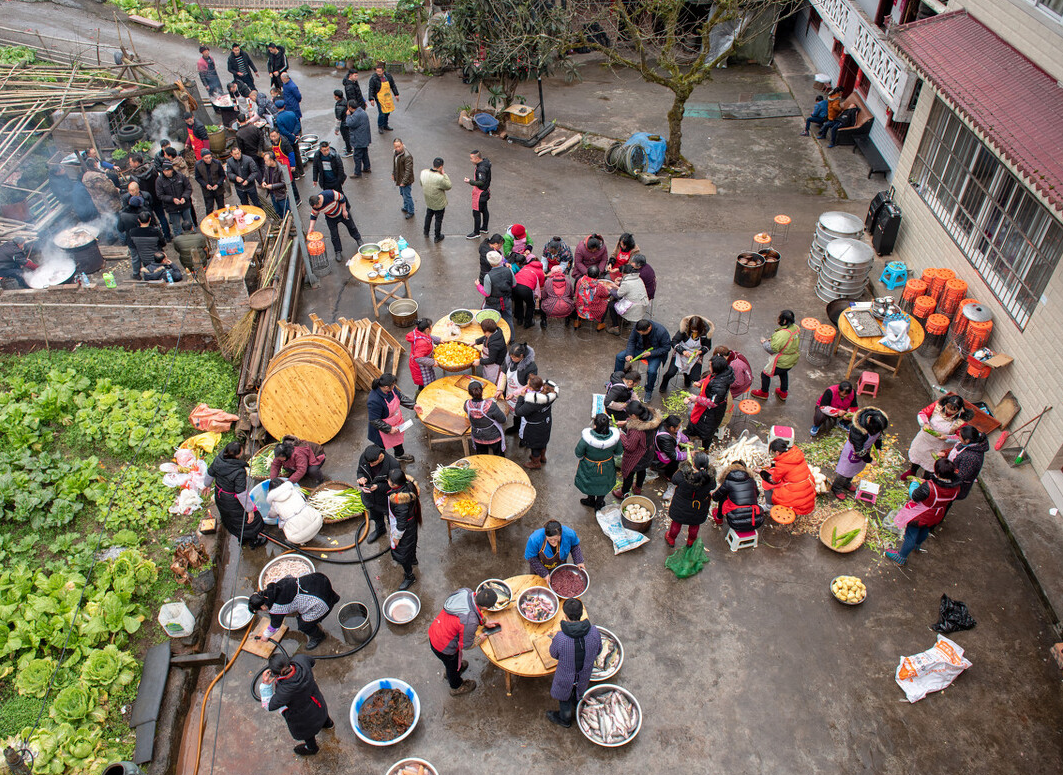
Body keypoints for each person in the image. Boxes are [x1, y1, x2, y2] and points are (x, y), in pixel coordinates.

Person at [886, 458, 962, 566]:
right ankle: (917, 545)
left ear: (938, 473)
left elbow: (915, 495)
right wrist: (926, 482)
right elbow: (942, 490)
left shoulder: (929, 488)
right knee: (925, 530)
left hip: (920, 515)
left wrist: (914, 484)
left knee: (910, 535)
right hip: (937, 514)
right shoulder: (956, 487)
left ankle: (901, 557)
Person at [428, 586, 499, 696]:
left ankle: (456, 667)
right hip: (444, 646)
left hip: (435, 631)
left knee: (453, 663)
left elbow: (473, 610)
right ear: (485, 608)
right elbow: (466, 644)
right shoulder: (469, 621)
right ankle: (456, 686)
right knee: (452, 667)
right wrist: (480, 638)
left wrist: (483, 622)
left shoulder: (465, 592)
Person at [261, 652, 334, 756]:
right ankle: (329, 724)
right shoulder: (301, 660)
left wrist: (266, 685)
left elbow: (268, 706)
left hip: (303, 718)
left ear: (276, 675)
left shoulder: (284, 692)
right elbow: (312, 662)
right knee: (322, 714)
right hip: (316, 702)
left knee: (308, 733)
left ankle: (311, 748)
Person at [547, 598, 601, 728]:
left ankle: (564, 719)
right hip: (584, 674)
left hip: (566, 677)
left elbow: (553, 654)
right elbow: (598, 650)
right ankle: (578, 705)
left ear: (565, 615)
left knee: (564, 698)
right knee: (579, 692)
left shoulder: (561, 638)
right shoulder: (594, 632)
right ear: (581, 613)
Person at [249, 572, 339, 651]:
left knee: (304, 625)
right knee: (322, 594)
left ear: (263, 607)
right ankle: (333, 597)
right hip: (319, 580)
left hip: (320, 602)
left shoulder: (276, 608)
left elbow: (274, 626)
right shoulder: (275, 585)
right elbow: (289, 577)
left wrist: (265, 636)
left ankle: (319, 636)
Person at [205, 441, 265, 547]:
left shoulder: (219, 459)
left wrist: (207, 485)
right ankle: (253, 542)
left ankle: (241, 539)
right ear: (238, 455)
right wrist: (250, 510)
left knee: (231, 520)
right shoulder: (239, 471)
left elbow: (210, 472)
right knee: (250, 521)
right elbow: (241, 493)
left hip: (220, 496)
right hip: (232, 500)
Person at [901, 394, 971, 480]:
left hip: (940, 445)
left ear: (959, 410)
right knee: (919, 454)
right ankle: (912, 470)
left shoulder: (961, 421)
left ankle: (925, 479)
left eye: (953, 410)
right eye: (948, 407)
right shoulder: (937, 406)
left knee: (932, 463)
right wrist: (925, 423)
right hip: (925, 439)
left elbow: (959, 437)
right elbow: (923, 413)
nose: (948, 411)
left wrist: (947, 437)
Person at [830, 406, 888, 500]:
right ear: (869, 422)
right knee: (844, 472)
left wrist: (878, 448)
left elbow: (879, 437)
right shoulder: (857, 430)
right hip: (853, 452)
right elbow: (859, 450)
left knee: (854, 469)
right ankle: (837, 488)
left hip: (865, 452)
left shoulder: (877, 424)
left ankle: (847, 483)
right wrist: (870, 460)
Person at [614, 399, 663, 499]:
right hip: (648, 452)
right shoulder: (651, 418)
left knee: (629, 474)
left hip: (636, 457)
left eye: (629, 415)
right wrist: (625, 422)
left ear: (633, 416)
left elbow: (629, 447)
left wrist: (620, 434)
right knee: (642, 470)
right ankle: (638, 488)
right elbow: (638, 421)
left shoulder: (637, 431)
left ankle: (624, 492)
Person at [665, 452, 716, 547]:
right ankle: (691, 541)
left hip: (681, 505)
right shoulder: (709, 478)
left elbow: (674, 480)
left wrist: (683, 467)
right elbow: (713, 486)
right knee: (694, 525)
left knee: (676, 522)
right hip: (698, 507)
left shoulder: (683, 475)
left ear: (693, 464)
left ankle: (671, 539)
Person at [684, 355, 735, 449]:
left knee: (706, 432)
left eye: (710, 366)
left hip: (711, 413)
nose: (709, 368)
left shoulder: (720, 386)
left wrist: (696, 399)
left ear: (716, 369)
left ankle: (705, 448)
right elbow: (709, 378)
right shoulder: (719, 374)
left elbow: (713, 403)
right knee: (694, 421)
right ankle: (692, 436)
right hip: (703, 409)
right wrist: (701, 382)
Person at [613, 317, 670, 401]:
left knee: (652, 371)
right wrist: (629, 353)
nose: (641, 334)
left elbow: (666, 348)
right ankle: (616, 381)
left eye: (643, 333)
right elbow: (632, 341)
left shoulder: (661, 331)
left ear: (649, 328)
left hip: (654, 353)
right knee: (619, 357)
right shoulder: (637, 327)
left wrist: (651, 353)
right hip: (640, 349)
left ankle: (648, 390)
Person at [366, 373, 420, 463]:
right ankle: (382, 463)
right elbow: (374, 420)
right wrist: (389, 428)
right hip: (381, 430)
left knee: (397, 439)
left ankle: (399, 455)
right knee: (381, 448)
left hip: (395, 422)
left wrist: (413, 405)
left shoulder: (391, 389)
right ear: (386, 387)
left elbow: (400, 397)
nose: (394, 386)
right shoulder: (374, 400)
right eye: (393, 385)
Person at [574, 413, 622, 510]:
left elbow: (578, 453)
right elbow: (618, 453)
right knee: (603, 484)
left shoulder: (587, 440)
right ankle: (599, 503)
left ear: (595, 425)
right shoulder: (614, 439)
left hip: (589, 466)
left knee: (590, 483)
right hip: (607, 466)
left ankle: (590, 500)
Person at [750, 309, 800, 401]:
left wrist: (764, 342)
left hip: (782, 360)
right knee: (783, 372)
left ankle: (764, 393)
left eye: (779, 318)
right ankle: (783, 392)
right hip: (791, 359)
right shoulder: (795, 328)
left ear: (784, 321)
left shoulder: (782, 334)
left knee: (765, 374)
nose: (777, 319)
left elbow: (772, 349)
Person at [356, 444, 401, 543]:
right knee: (376, 516)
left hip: (386, 499)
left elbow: (396, 486)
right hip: (370, 497)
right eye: (369, 463)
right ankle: (380, 529)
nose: (370, 465)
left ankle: (395, 536)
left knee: (392, 519)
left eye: (373, 463)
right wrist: (361, 478)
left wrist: (378, 487)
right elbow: (360, 471)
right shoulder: (365, 458)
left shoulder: (393, 465)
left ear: (381, 456)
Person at [759, 439, 817, 514]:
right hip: (808, 486)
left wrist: (761, 472)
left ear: (777, 452)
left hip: (797, 493)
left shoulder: (782, 465)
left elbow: (773, 480)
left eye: (773, 453)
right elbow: (790, 466)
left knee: (766, 485)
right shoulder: (796, 454)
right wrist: (773, 465)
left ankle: (768, 506)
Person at [660, 315, 713, 394]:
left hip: (695, 355)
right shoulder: (684, 329)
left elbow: (707, 346)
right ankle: (664, 383)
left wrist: (700, 352)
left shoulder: (706, 332)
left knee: (695, 377)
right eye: (692, 330)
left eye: (696, 330)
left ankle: (687, 378)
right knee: (671, 373)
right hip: (681, 353)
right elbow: (674, 342)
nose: (694, 332)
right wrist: (683, 351)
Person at [386, 469, 420, 589]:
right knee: (411, 544)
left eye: (388, 480)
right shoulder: (409, 486)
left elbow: (401, 524)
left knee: (403, 553)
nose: (387, 481)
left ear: (393, 484)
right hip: (411, 524)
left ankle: (409, 576)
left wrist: (396, 537)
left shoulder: (401, 502)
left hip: (405, 529)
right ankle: (413, 558)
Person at [515, 375, 558, 469]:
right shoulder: (549, 395)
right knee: (543, 441)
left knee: (535, 445)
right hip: (546, 422)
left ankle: (535, 462)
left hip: (535, 427)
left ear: (531, 388)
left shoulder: (532, 403)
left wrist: (521, 397)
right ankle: (542, 457)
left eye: (528, 384)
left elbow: (518, 412)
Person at [308, 190, 362, 263]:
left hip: (341, 213)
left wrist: (344, 210)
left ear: (319, 201)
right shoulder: (315, 207)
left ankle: (358, 239)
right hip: (330, 218)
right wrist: (311, 227)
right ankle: (338, 251)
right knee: (334, 235)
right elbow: (314, 216)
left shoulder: (330, 194)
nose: (317, 209)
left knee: (351, 226)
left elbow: (342, 198)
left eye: (317, 206)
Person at [267, 477, 323, 545]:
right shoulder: (294, 490)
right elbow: (304, 499)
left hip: (298, 538)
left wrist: (268, 516)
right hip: (318, 523)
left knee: (283, 522)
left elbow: (272, 515)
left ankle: (302, 542)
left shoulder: (275, 503)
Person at [128, 154, 172, 241]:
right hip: (156, 197)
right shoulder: (152, 169)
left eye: (130, 162)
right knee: (162, 217)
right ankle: (167, 236)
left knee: (149, 220)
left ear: (136, 163)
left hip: (144, 201)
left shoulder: (134, 176)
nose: (130, 164)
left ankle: (156, 237)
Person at [712, 461, 764, 531]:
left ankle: (719, 518)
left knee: (723, 498)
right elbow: (757, 494)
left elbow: (715, 497)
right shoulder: (752, 481)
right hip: (756, 521)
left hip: (735, 523)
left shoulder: (728, 482)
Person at [499, 343, 537, 430]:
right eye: (511, 356)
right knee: (512, 411)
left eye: (514, 357)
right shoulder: (509, 360)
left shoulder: (531, 367)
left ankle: (519, 430)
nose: (512, 359)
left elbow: (529, 385)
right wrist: (500, 390)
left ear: (522, 356)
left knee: (520, 414)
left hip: (521, 395)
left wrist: (515, 394)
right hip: (509, 390)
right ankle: (516, 426)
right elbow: (503, 374)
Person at [464, 379, 507, 455]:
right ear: (481, 391)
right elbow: (503, 420)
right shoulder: (491, 406)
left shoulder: (467, 405)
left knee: (482, 456)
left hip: (478, 437)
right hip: (493, 437)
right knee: (499, 456)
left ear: (469, 393)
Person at [948, 425, 987, 508]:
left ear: (967, 440)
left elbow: (961, 476)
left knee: (946, 502)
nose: (958, 438)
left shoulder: (971, 458)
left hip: (956, 485)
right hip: (951, 476)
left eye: (960, 436)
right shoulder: (968, 445)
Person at [605, 263, 649, 336]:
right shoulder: (639, 279)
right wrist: (617, 287)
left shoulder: (627, 283)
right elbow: (629, 291)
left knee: (611, 305)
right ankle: (623, 321)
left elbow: (618, 295)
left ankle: (615, 327)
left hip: (633, 309)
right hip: (641, 306)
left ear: (625, 273)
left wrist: (610, 289)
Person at [714, 345, 753, 425]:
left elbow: (739, 383)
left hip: (742, 384)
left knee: (720, 394)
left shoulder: (735, 365)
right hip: (741, 378)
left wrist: (723, 382)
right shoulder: (732, 354)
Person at [155, 162, 194, 236]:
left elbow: (188, 188)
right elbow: (160, 195)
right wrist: (172, 199)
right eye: (164, 171)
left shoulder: (180, 176)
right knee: (176, 227)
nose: (166, 173)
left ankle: (193, 238)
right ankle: (179, 242)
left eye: (168, 170)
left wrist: (184, 197)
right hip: (172, 208)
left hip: (184, 205)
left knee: (189, 223)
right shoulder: (159, 180)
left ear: (172, 170)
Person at [653, 414, 690, 493]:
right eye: (678, 427)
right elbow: (673, 455)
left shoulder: (668, 426)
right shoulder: (663, 438)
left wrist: (686, 441)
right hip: (664, 456)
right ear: (671, 428)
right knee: (674, 464)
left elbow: (678, 434)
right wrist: (689, 454)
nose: (679, 429)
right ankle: (667, 475)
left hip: (670, 449)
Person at [511, 254, 545, 329]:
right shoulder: (540, 271)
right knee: (530, 305)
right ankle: (528, 322)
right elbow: (542, 285)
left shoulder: (525, 267)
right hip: (526, 288)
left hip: (515, 285)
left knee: (518, 302)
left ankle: (519, 319)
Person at [420, 157, 451, 243]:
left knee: (428, 216)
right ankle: (437, 236)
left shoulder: (423, 173)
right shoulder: (440, 178)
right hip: (439, 203)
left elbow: (421, 183)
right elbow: (449, 186)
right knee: (438, 220)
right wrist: (444, 174)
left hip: (429, 200)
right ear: (441, 167)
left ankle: (426, 231)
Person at [405, 317, 440, 389]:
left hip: (423, 362)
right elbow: (418, 358)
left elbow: (429, 337)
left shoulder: (420, 332)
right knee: (425, 385)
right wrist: (433, 362)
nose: (431, 327)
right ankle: (420, 395)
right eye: (431, 326)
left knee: (428, 380)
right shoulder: (422, 343)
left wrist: (439, 340)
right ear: (427, 330)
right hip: (420, 367)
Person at [127, 211, 165, 278]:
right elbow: (163, 243)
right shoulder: (156, 231)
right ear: (150, 219)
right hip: (157, 257)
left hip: (143, 257)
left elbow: (132, 246)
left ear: (138, 220)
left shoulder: (132, 232)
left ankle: (137, 275)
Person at [573, 265, 611, 330]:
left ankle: (577, 321)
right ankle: (600, 323)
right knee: (606, 303)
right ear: (597, 276)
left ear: (587, 273)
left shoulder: (580, 280)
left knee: (579, 300)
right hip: (592, 310)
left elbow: (576, 292)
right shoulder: (599, 286)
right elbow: (606, 295)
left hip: (580, 308)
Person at [481, 251, 514, 325]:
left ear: (490, 263)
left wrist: (478, 286)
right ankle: (510, 336)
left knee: (491, 321)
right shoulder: (509, 270)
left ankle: (495, 335)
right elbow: (514, 284)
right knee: (508, 320)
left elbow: (487, 293)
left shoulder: (488, 276)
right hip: (506, 300)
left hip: (493, 303)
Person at [464, 149, 491, 238]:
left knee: (476, 212)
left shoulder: (481, 169)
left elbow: (481, 182)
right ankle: (484, 228)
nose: (471, 160)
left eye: (472, 158)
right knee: (484, 210)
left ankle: (476, 232)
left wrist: (470, 181)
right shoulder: (486, 163)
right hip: (485, 192)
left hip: (480, 194)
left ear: (477, 158)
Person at [273, 100, 304, 177]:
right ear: (284, 106)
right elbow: (297, 124)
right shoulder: (291, 113)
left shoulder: (278, 118)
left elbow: (282, 131)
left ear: (276, 107)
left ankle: (296, 174)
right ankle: (302, 171)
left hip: (287, 140)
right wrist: (294, 134)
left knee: (290, 155)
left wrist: (291, 136)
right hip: (295, 139)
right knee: (297, 154)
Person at [472, 317, 506, 383]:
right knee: (486, 375)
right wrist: (476, 342)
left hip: (494, 366)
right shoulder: (495, 332)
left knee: (491, 381)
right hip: (488, 363)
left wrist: (480, 361)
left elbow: (491, 360)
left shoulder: (494, 345)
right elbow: (485, 337)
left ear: (487, 331)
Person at [368, 61, 399, 133]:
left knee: (387, 112)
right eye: (377, 71)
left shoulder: (388, 76)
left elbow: (393, 85)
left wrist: (396, 94)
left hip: (387, 97)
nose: (378, 73)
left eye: (380, 72)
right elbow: (371, 89)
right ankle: (380, 126)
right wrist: (371, 99)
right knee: (382, 113)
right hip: (379, 98)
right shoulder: (373, 78)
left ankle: (385, 125)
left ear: (383, 71)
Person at [194, 148, 227, 213]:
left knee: (221, 208)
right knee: (209, 208)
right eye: (206, 158)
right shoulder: (198, 165)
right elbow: (198, 177)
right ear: (202, 158)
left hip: (218, 190)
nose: (209, 160)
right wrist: (205, 185)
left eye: (210, 157)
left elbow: (222, 175)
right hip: (207, 191)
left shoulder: (217, 163)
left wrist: (218, 184)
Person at [260, 151, 290, 218]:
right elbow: (265, 175)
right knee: (278, 211)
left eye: (266, 161)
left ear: (271, 160)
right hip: (272, 194)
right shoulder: (267, 166)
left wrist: (272, 186)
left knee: (286, 212)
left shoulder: (280, 169)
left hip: (281, 195)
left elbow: (284, 183)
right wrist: (263, 181)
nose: (265, 162)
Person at [345, 103, 372, 178]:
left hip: (359, 139)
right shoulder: (362, 112)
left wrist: (348, 115)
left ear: (350, 107)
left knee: (357, 156)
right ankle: (366, 167)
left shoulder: (356, 115)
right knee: (364, 153)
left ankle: (357, 172)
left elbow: (350, 123)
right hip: (365, 137)